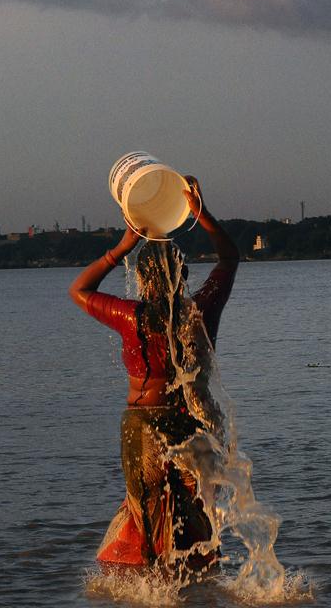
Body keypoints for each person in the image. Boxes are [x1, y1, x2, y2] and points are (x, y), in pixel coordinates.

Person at [68, 176, 240, 575]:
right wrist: (203, 215)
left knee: (149, 521)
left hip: (143, 426)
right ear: (181, 275)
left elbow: (79, 290)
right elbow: (229, 260)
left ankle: (154, 591)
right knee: (196, 512)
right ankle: (198, 587)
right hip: (191, 424)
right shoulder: (200, 312)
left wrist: (121, 247)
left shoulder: (133, 318)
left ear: (143, 279)